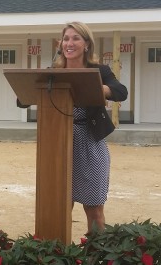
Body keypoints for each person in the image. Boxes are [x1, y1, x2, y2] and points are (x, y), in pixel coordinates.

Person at [53, 21, 128, 233]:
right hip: (59, 144)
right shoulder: (54, 71)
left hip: (90, 143)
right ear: (61, 44)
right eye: (66, 38)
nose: (70, 43)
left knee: (94, 209)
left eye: (76, 38)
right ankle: (59, 254)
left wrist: (94, 87)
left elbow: (120, 92)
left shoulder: (99, 70)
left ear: (86, 44)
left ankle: (95, 255)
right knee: (59, 206)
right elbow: (23, 100)